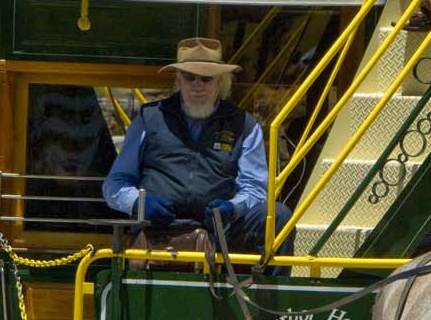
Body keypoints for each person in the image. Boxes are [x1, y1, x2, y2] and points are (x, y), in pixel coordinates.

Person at [102, 37, 292, 256]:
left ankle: (271, 291)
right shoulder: (149, 117)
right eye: (189, 77)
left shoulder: (244, 124)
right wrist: (138, 204)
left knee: (279, 216)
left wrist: (232, 208)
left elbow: (256, 189)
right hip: (157, 231)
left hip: (222, 232)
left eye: (206, 79)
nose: (197, 85)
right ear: (178, 79)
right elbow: (115, 184)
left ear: (220, 81)